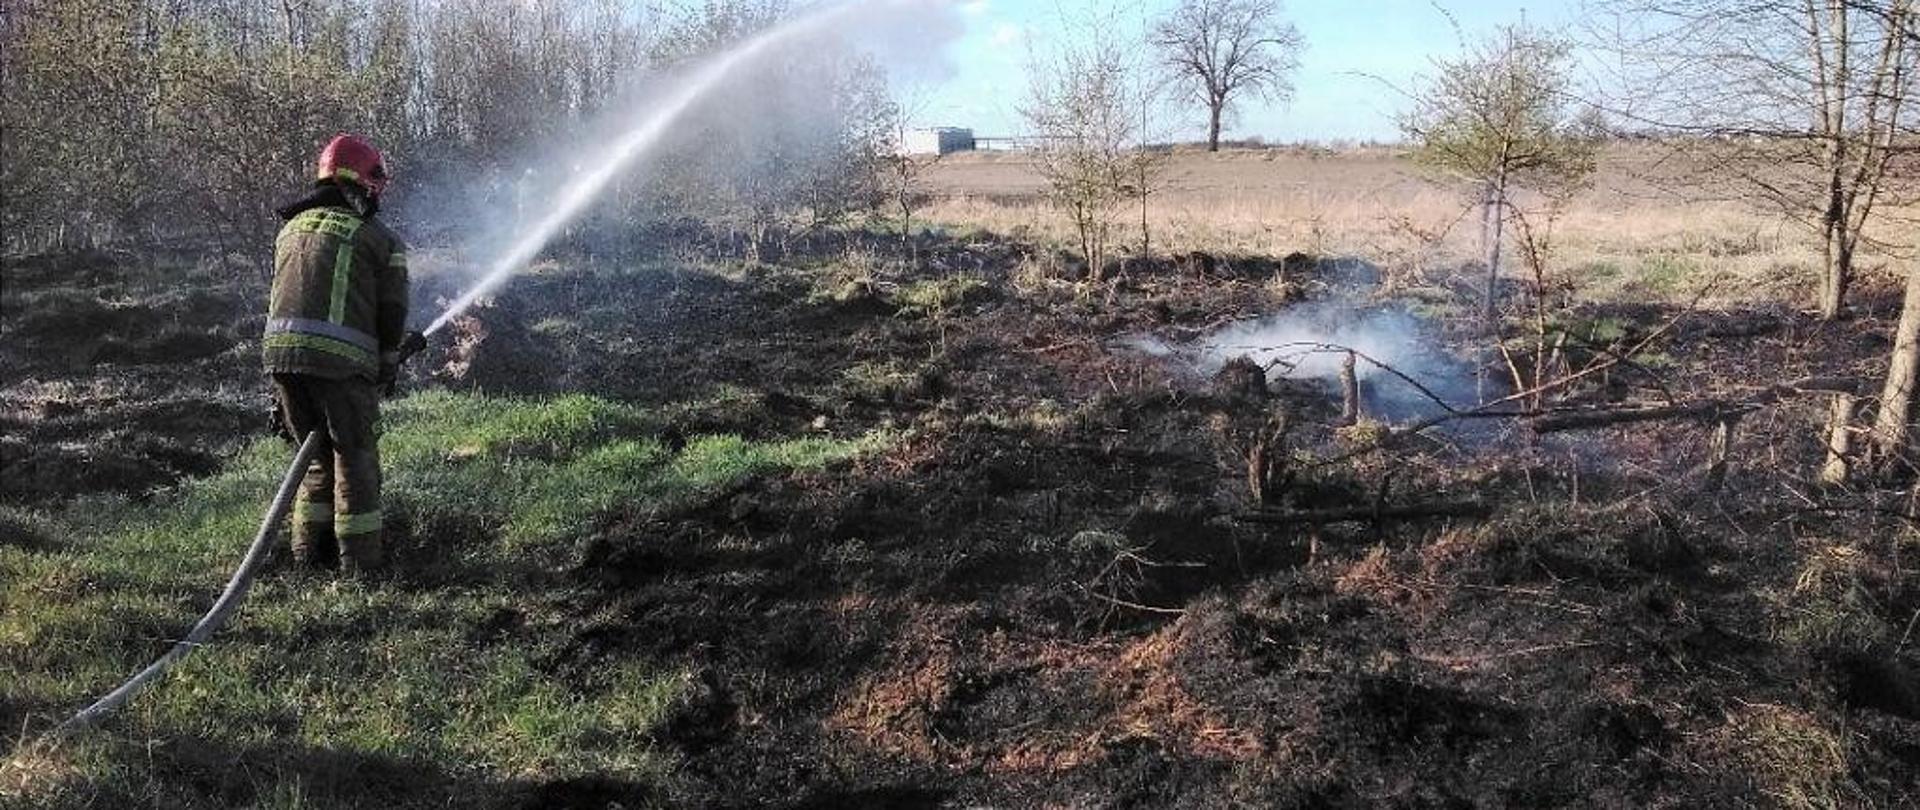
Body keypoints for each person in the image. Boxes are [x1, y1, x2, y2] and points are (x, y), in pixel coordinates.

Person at [264, 133, 421, 575]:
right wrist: (388, 363)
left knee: (313, 461)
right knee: (354, 460)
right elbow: (391, 313)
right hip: (339, 366)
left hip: (282, 361)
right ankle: (359, 569)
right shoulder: (377, 240)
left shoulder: (290, 229)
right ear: (365, 183)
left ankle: (306, 560)